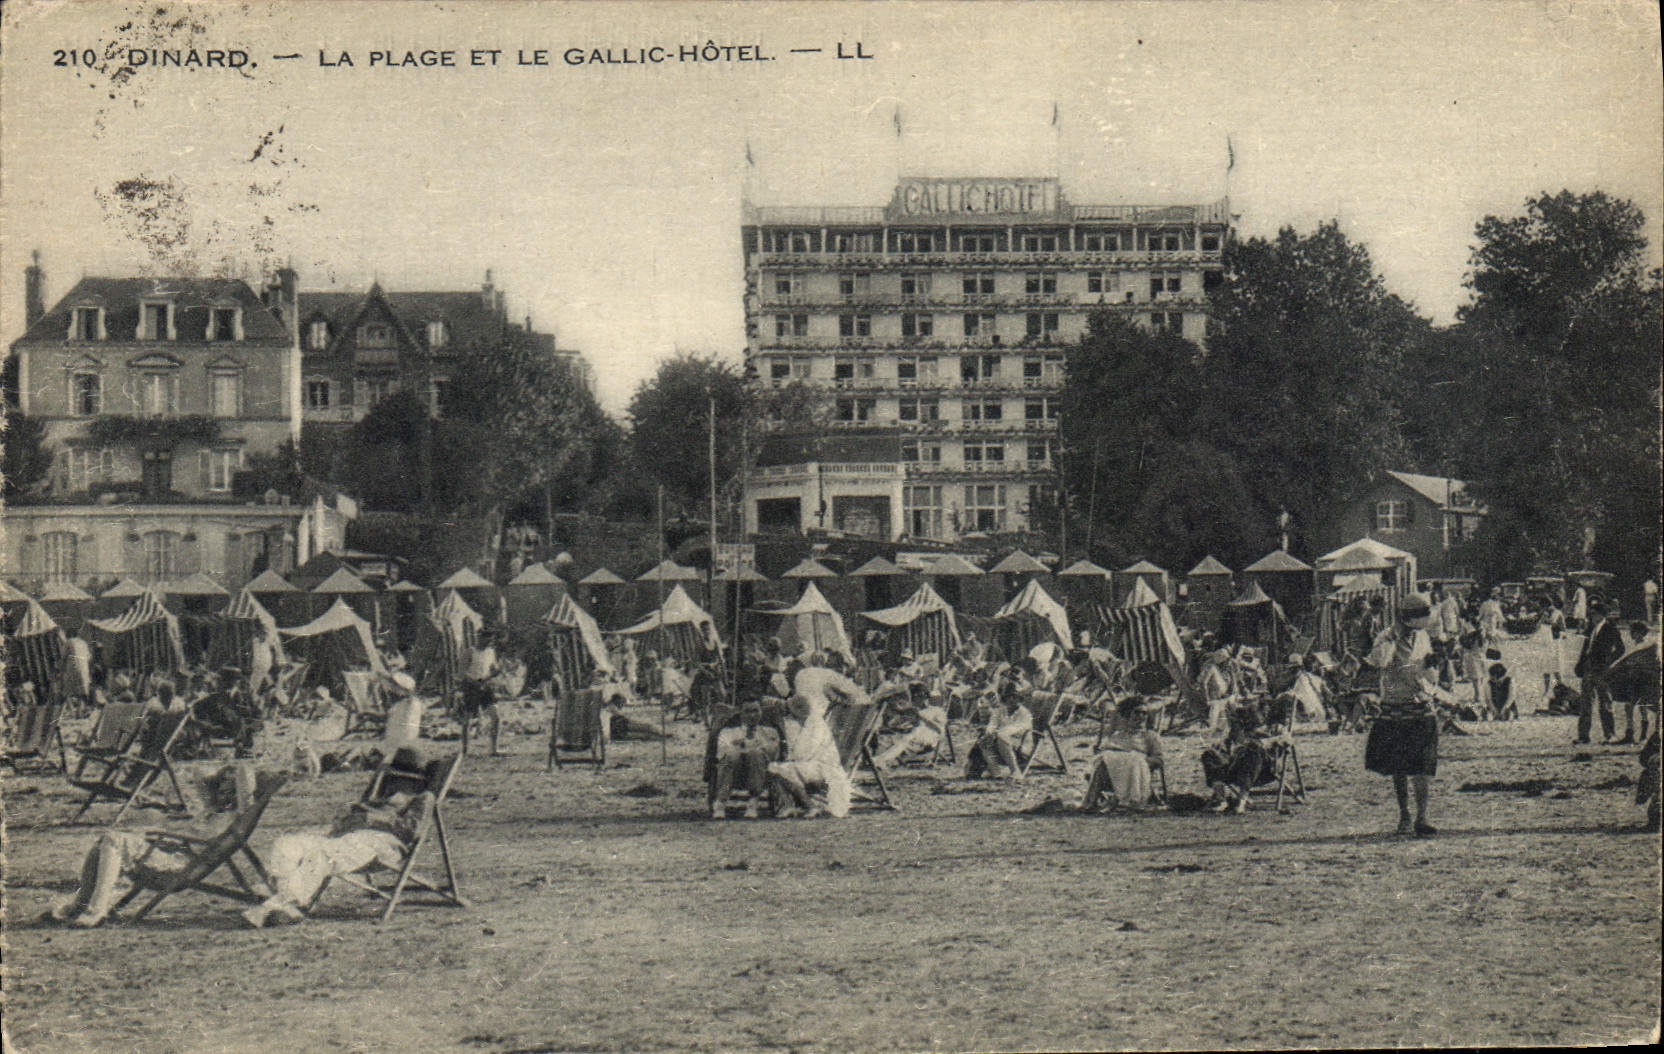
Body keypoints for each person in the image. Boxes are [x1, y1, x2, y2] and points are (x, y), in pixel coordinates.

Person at [46, 764, 281, 928]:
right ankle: (82, 904)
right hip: (171, 853)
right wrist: (223, 773)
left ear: (237, 792)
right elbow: (199, 772)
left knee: (113, 840)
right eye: (219, 785)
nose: (219, 790)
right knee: (104, 842)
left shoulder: (236, 815)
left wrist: (240, 771)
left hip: (179, 864)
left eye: (226, 787)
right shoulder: (212, 811)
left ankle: (96, 911)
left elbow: (244, 777)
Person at [243, 768, 438, 927]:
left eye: (402, 778)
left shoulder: (423, 798)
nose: (395, 782)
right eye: (393, 777)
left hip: (384, 844)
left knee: (321, 856)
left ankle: (284, 904)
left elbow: (411, 831)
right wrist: (351, 816)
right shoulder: (380, 798)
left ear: (415, 781)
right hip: (348, 838)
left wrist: (372, 818)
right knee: (287, 843)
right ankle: (285, 899)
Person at [1364, 593, 1441, 837]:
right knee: (1399, 767)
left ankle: (1422, 816)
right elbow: (1380, 663)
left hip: (1421, 705)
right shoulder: (1386, 637)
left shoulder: (1423, 637)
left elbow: (1429, 670)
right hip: (1395, 707)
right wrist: (1393, 641)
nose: (1424, 620)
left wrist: (1430, 667)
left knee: (1422, 766)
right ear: (1407, 618)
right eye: (1420, 616)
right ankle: (1404, 814)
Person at [767, 693, 852, 818]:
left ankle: (809, 805)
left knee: (777, 769)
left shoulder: (816, 724)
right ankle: (787, 806)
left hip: (824, 768)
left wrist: (788, 756)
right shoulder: (796, 724)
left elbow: (802, 754)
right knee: (776, 768)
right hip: (809, 765)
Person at [1081, 696, 1164, 812]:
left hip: (1136, 772)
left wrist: (1136, 760)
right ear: (1127, 715)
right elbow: (1105, 753)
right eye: (1137, 712)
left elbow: (1159, 760)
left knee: (1131, 759)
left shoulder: (1150, 736)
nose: (1141, 716)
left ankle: (1098, 801)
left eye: (1144, 713)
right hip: (1112, 773)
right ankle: (1091, 802)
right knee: (1100, 764)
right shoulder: (1117, 735)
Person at [710, 699, 783, 819]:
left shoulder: (770, 732)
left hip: (760, 772)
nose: (752, 715)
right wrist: (747, 746)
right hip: (734, 770)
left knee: (756, 754)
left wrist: (745, 746)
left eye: (755, 711)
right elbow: (722, 751)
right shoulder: (728, 732)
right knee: (732, 755)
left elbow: (773, 752)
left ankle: (753, 802)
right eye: (747, 711)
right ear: (740, 713)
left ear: (761, 712)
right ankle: (721, 803)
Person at [1573, 599, 1624, 745]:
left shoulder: (1610, 629)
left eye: (1594, 614)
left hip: (1601, 670)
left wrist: (1608, 663)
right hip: (1588, 668)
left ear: (1601, 615)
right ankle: (1583, 736)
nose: (1592, 616)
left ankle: (1610, 734)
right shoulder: (1591, 629)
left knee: (1605, 703)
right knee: (1585, 704)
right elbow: (1586, 648)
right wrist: (1580, 664)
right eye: (1591, 614)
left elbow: (1620, 649)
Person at [964, 675, 1033, 781]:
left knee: (1001, 736)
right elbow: (992, 723)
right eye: (1009, 697)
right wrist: (989, 732)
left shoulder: (1025, 714)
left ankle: (1015, 772)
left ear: (1020, 699)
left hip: (1021, 746)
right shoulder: (1000, 710)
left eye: (1015, 697)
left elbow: (1017, 728)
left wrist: (997, 733)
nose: (1012, 700)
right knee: (984, 739)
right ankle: (996, 772)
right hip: (1002, 743)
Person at [459, 631, 502, 756]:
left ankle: (494, 749)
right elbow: (461, 673)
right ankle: (465, 750)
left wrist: (495, 672)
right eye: (487, 639)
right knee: (467, 718)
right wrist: (474, 682)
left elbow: (494, 668)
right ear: (479, 638)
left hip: (485, 685)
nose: (489, 642)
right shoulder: (469, 652)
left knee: (496, 716)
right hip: (471, 686)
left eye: (491, 640)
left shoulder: (491, 652)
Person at [1487, 651, 1516, 721]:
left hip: (1507, 705)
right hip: (1494, 705)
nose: (1491, 679)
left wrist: (1504, 709)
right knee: (1489, 717)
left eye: (1493, 677)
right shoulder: (1489, 683)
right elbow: (1488, 698)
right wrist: (1494, 710)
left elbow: (1511, 697)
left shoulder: (1510, 681)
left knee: (1507, 716)